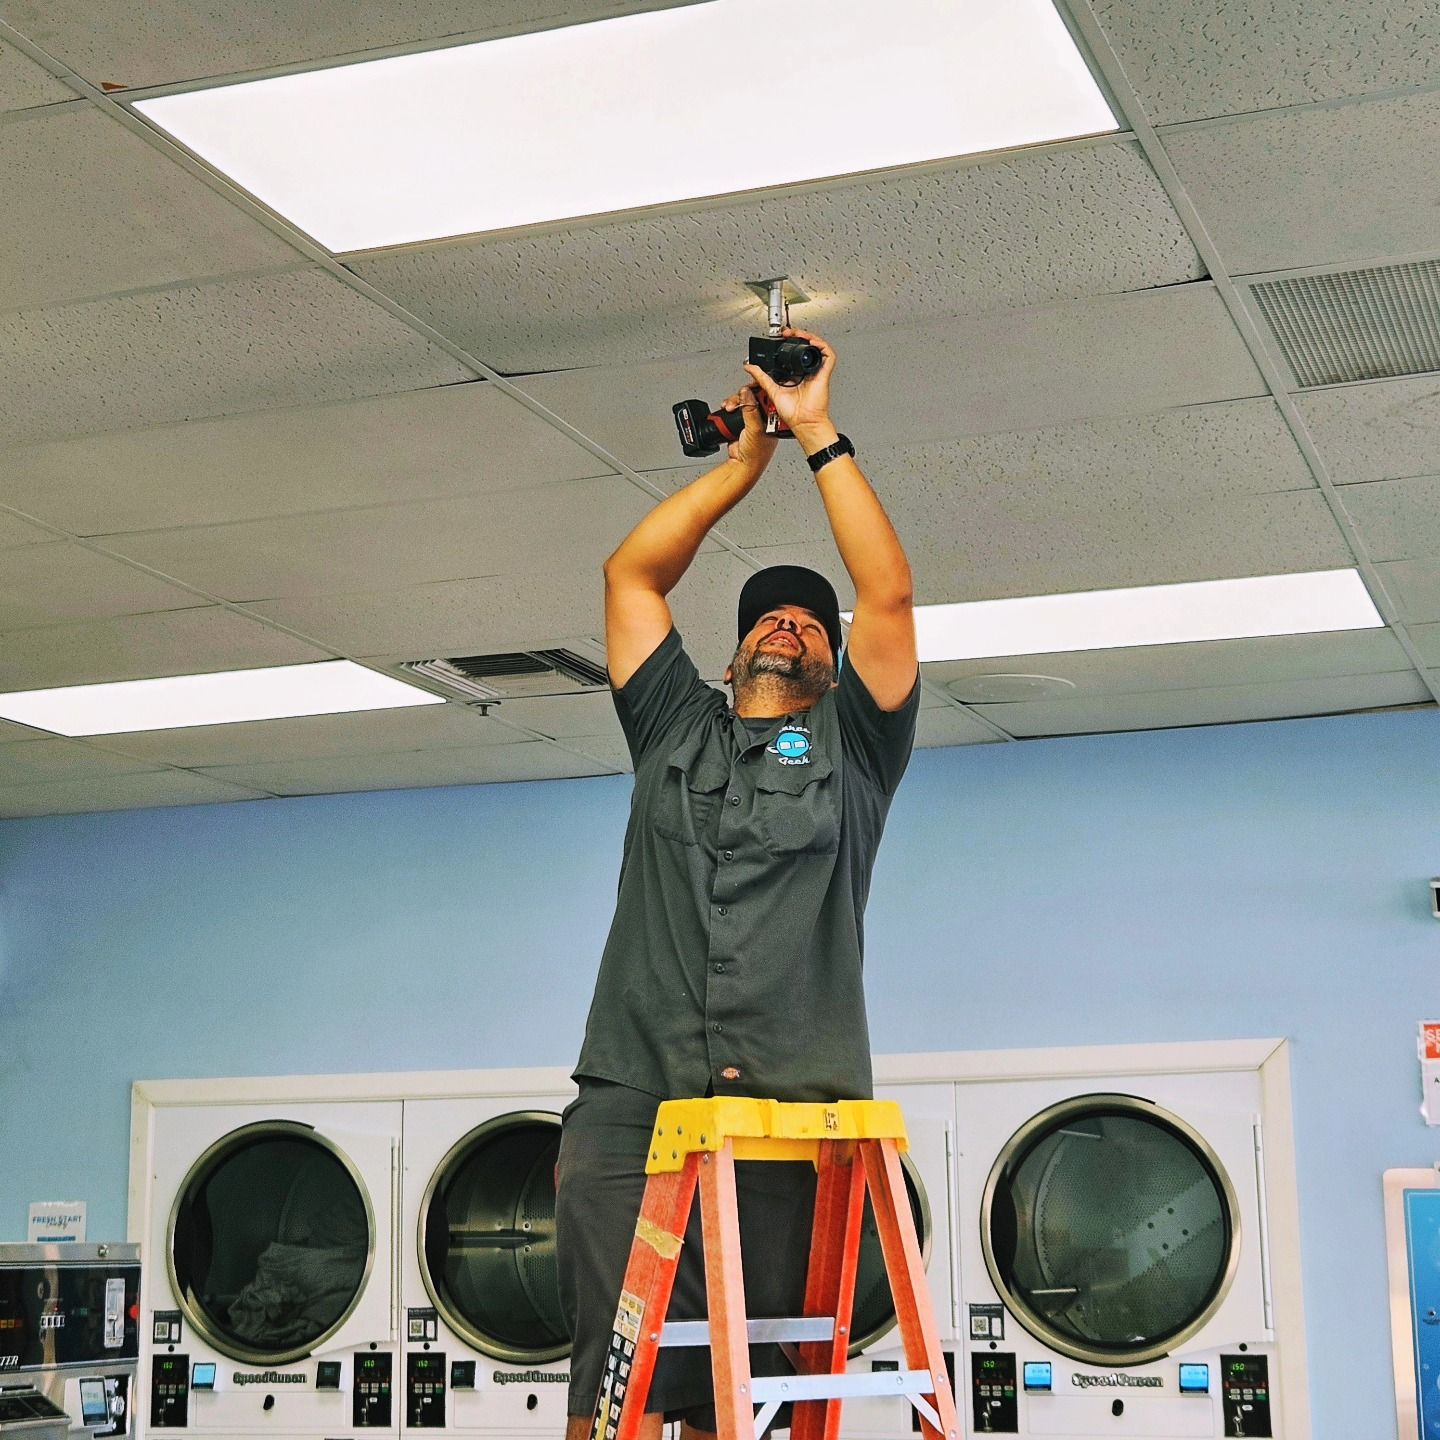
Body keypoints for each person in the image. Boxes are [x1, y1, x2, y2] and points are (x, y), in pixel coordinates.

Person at [556, 328, 919, 1440]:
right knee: (611, 1382)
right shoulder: (669, 722)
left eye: (811, 621)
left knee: (737, 1385)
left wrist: (814, 435)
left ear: (828, 665)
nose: (790, 622)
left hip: (791, 1118)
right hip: (631, 1105)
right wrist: (737, 467)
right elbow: (632, 574)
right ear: (730, 656)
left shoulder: (857, 751)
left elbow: (889, 595)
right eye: (769, 610)